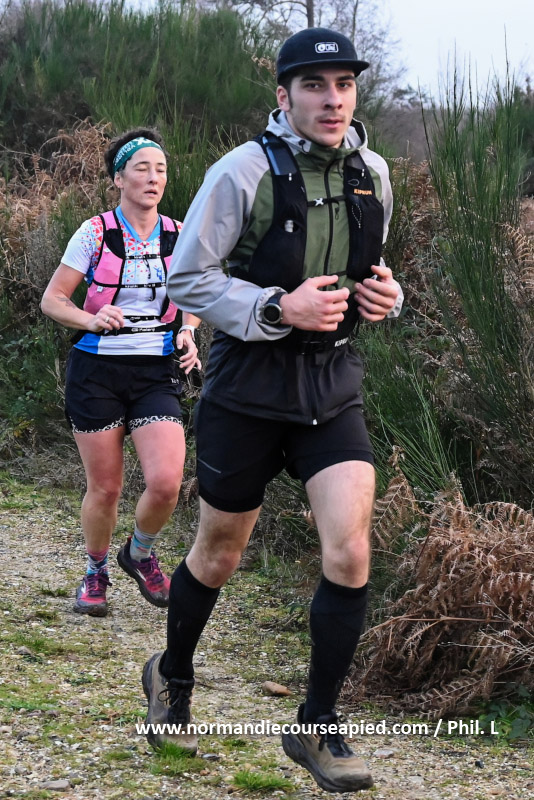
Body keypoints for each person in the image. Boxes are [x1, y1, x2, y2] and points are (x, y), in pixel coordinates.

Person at [142, 29, 403, 793]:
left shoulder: (374, 174)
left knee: (350, 552)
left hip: (331, 382)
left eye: (343, 84)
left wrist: (385, 295)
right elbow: (187, 277)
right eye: (314, 84)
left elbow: (369, 268)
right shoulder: (242, 170)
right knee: (219, 553)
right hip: (248, 384)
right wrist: (275, 307)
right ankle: (172, 674)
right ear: (283, 94)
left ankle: (317, 724)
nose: (332, 99)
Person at [41, 128, 201, 619]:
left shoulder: (179, 234)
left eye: (161, 169)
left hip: (155, 372)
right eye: (142, 168)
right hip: (97, 372)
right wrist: (91, 319)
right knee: (106, 488)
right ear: (118, 178)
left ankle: (139, 553)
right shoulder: (95, 233)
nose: (154, 178)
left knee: (167, 482)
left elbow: (195, 296)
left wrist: (188, 330)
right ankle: (95, 571)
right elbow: (53, 300)